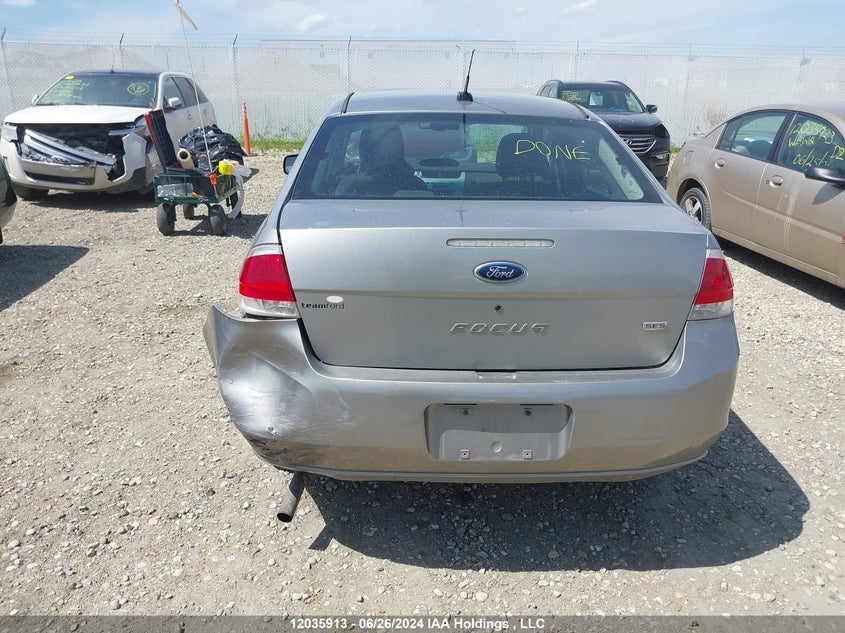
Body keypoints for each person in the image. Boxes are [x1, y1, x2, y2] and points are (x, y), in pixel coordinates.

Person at [336, 124, 428, 196]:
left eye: (393, 142)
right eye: (381, 142)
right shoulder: (416, 186)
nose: (392, 147)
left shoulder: (349, 186)